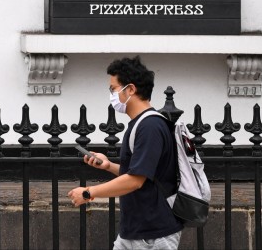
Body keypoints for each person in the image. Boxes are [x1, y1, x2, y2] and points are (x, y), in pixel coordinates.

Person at [67, 56, 183, 250]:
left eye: (113, 89)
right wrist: (108, 165)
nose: (112, 94)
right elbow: (142, 174)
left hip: (152, 235)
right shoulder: (141, 124)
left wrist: (88, 193)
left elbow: (135, 181)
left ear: (130, 89)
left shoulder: (150, 126)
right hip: (135, 231)